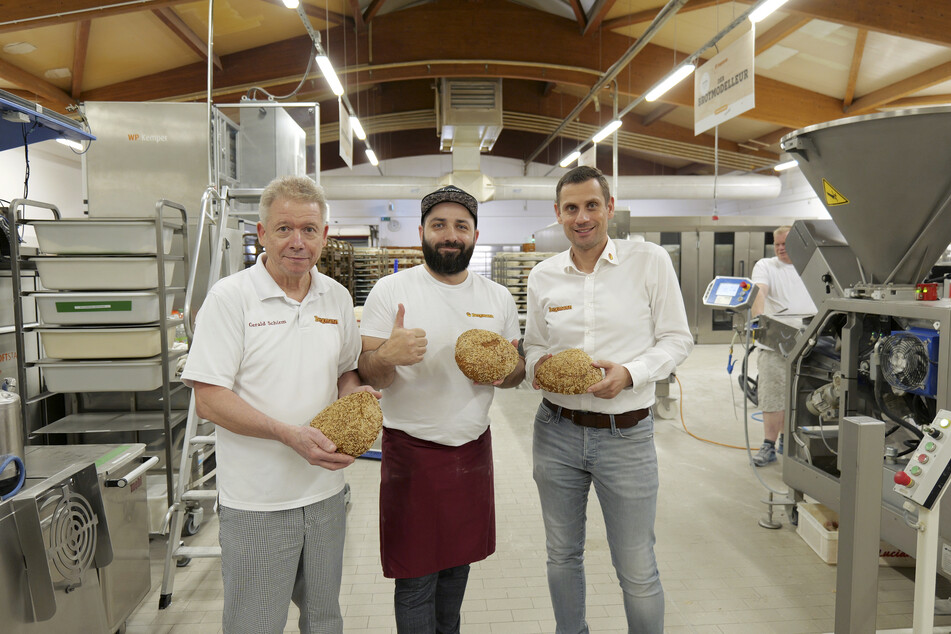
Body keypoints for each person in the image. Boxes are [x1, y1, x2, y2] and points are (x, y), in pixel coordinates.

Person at [181, 175, 376, 634]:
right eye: (284, 228)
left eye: (309, 230)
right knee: (256, 624)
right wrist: (289, 435)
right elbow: (209, 400)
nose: (297, 242)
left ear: (325, 236)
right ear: (261, 232)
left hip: (326, 495)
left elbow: (345, 370)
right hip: (257, 503)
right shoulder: (232, 299)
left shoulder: (337, 297)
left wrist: (354, 398)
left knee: (325, 620)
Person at [523, 165, 693, 634]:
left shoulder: (649, 261)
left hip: (626, 436)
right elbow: (534, 344)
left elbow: (678, 338)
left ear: (610, 208)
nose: (582, 217)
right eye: (571, 208)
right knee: (562, 555)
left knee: (637, 567)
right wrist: (540, 368)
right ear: (558, 214)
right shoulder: (543, 276)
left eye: (591, 205)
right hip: (555, 433)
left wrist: (631, 374)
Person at [357, 184, 525, 633]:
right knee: (415, 578)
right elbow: (369, 375)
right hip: (410, 451)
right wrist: (386, 356)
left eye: (460, 226)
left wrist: (503, 370)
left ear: (474, 234)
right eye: (439, 225)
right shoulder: (391, 291)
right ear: (421, 231)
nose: (450, 235)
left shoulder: (498, 298)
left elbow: (517, 373)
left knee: (457, 568)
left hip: (471, 449)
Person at [749, 225, 817, 466]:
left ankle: (789, 441)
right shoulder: (766, 266)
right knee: (773, 394)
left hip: (812, 337)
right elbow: (760, 291)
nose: (780, 248)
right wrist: (759, 317)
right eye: (776, 244)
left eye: (785, 244)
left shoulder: (813, 266)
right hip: (775, 340)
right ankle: (769, 444)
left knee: (806, 393)